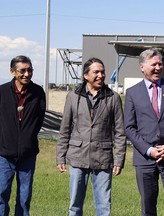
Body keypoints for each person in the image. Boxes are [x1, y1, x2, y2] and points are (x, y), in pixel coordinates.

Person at [56, 57, 126, 216]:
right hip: (77, 156)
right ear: (86, 75)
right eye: (96, 72)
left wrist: (119, 159)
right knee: (75, 205)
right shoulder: (73, 96)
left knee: (103, 205)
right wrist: (60, 156)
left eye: (102, 72)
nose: (101, 75)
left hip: (103, 158)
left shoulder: (113, 98)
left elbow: (120, 132)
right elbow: (65, 128)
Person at [124, 48, 164, 216]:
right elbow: (129, 127)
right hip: (144, 159)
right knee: (147, 207)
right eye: (154, 64)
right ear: (142, 67)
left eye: (160, 63)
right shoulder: (132, 93)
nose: (158, 67)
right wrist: (149, 150)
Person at [0, 55, 46, 216]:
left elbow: (38, 120)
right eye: (23, 70)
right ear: (13, 72)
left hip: (27, 155)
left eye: (30, 70)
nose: (27, 74)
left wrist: (26, 138)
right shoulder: (1, 91)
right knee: (1, 194)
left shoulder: (38, 92)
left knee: (24, 197)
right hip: (3, 155)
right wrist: (5, 137)